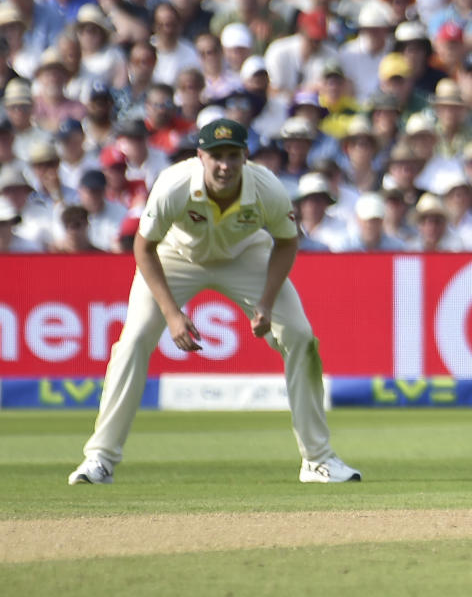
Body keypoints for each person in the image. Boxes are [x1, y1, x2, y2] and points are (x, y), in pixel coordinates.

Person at [67, 118, 361, 485]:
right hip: (176, 256)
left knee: (300, 336)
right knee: (134, 340)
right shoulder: (174, 184)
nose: (225, 165)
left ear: (245, 157)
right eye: (217, 156)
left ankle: (317, 460)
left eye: (233, 156)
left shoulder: (267, 187)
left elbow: (287, 243)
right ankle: (100, 460)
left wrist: (266, 304)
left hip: (246, 256)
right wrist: (173, 315)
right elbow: (144, 247)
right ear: (201, 156)